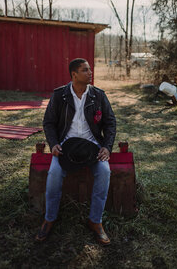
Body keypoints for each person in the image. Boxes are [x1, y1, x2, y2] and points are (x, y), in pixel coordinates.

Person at [36, 58, 116, 245]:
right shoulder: (59, 95)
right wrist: (54, 143)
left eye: (90, 69)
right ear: (74, 74)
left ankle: (95, 221)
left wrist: (106, 146)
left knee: (104, 172)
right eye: (85, 70)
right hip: (65, 145)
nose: (90, 73)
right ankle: (50, 218)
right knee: (54, 173)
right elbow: (48, 122)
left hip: (93, 144)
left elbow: (110, 123)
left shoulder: (99, 95)